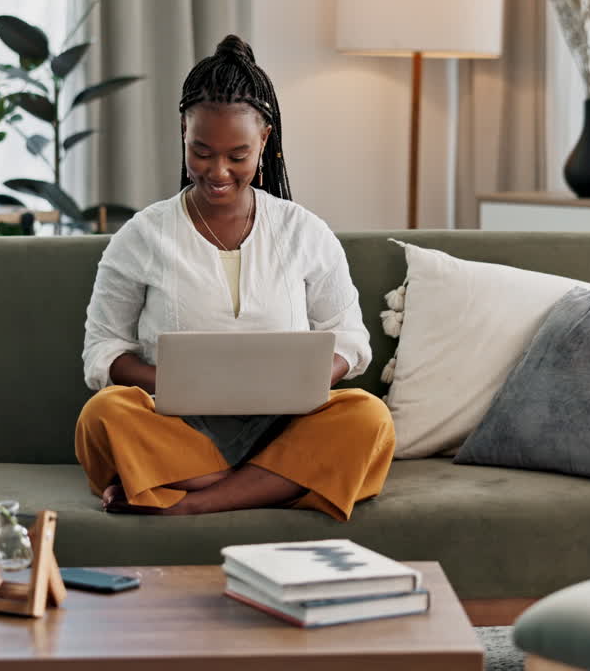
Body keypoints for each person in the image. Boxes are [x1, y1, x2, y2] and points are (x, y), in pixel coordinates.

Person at [75, 34, 394, 521]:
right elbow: (102, 349)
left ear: (264, 141)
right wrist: (174, 383)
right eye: (202, 152)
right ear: (183, 131)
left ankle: (190, 502)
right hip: (179, 426)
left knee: (369, 418)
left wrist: (300, 382)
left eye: (237, 156)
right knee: (103, 416)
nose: (218, 171)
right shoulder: (141, 236)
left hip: (286, 425)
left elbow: (351, 338)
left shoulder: (304, 231)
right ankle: (278, 482)